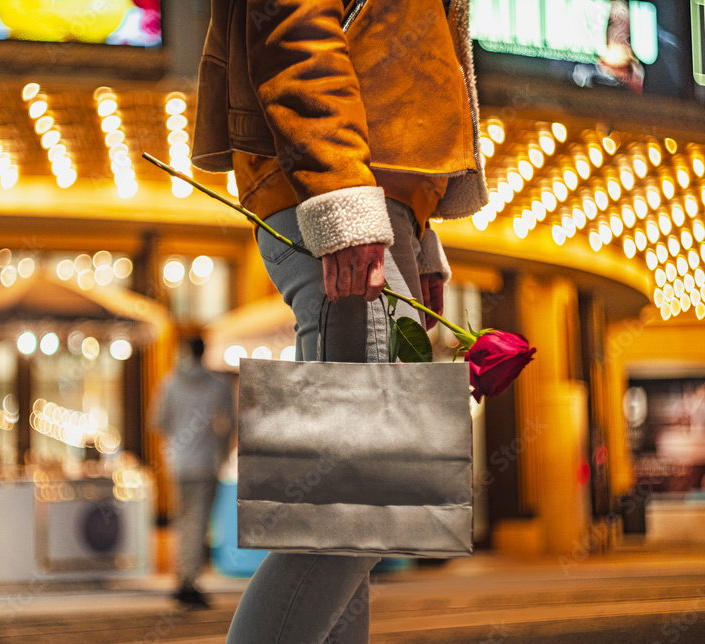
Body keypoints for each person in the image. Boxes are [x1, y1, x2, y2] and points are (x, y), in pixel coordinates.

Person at [191, 0, 488, 641]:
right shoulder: (341, 191)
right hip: (339, 190)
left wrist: (420, 224)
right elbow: (295, 22)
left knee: (360, 519)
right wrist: (340, 194)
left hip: (377, 194)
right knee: (354, 510)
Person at [153, 336, 234, 608]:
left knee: (181, 521)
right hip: (206, 463)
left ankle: (183, 578)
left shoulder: (170, 383)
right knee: (198, 523)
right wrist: (220, 454)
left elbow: (159, 421)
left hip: (178, 463)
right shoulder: (218, 386)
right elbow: (229, 425)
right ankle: (190, 579)